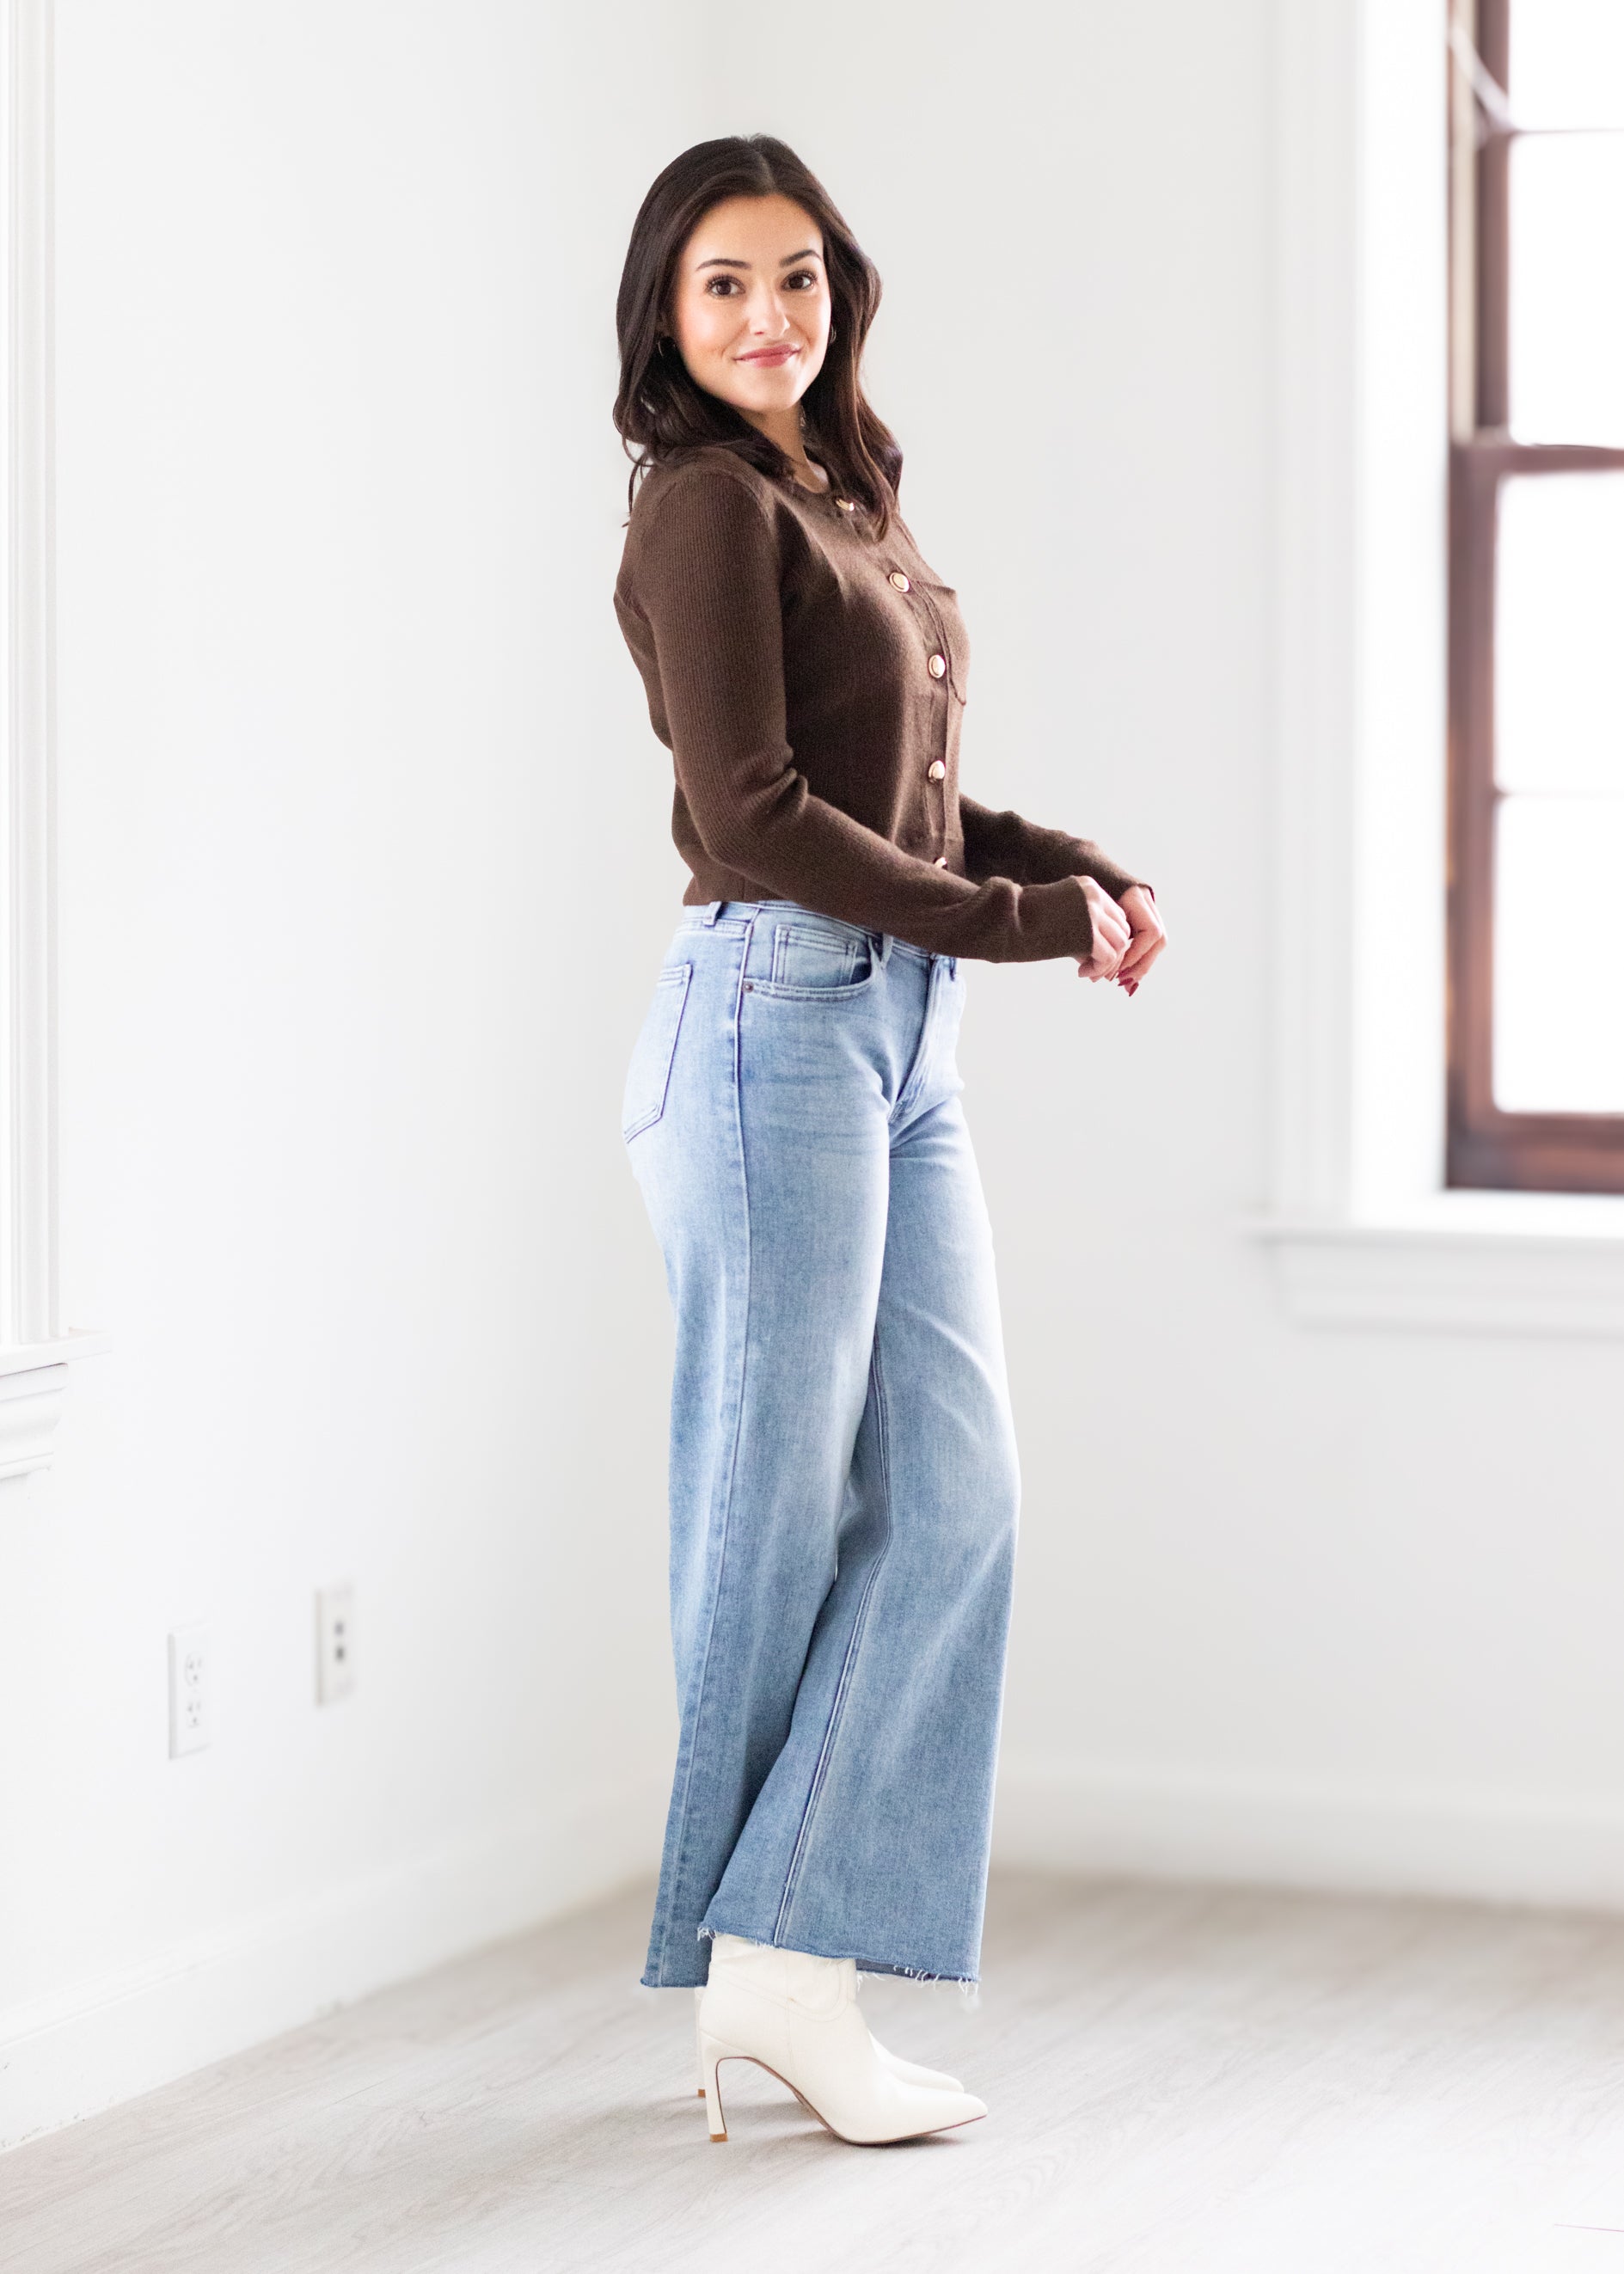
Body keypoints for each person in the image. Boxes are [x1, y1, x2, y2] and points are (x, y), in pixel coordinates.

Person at [610, 134, 1164, 2148]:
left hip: (891, 1035)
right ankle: (775, 1974)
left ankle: (779, 1957)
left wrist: (1060, 862)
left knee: (957, 1492)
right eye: (727, 287)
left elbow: (901, 797)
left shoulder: (840, 491)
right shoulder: (695, 503)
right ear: (669, 316)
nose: (772, 317)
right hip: (771, 1021)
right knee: (771, 1519)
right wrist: (1019, 926)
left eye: (802, 280)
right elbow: (755, 818)